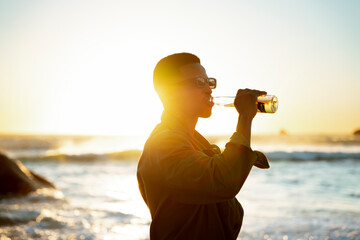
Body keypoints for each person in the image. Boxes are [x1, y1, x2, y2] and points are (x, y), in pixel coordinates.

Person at [137, 53, 270, 240]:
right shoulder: (164, 144)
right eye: (199, 82)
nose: (209, 90)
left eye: (210, 82)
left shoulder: (196, 142)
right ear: (169, 92)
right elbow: (222, 182)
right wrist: (245, 118)